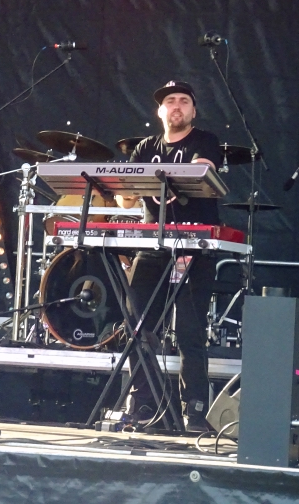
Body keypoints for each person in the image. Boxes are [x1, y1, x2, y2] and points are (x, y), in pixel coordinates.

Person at [115, 80, 222, 433]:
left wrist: (147, 179)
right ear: (160, 111)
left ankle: (195, 411)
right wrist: (126, 190)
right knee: (138, 326)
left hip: (193, 247)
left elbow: (198, 174)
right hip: (152, 246)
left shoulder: (204, 140)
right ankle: (145, 405)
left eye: (184, 101)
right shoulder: (146, 147)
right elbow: (125, 200)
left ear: (193, 110)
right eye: (170, 101)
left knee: (190, 331)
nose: (177, 106)